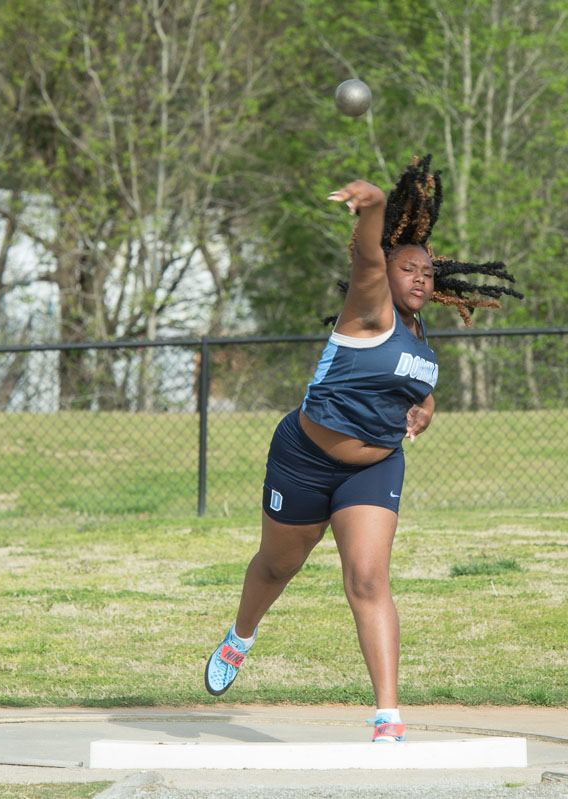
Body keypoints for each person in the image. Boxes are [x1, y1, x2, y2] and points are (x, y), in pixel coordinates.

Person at [204, 156, 521, 742]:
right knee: (278, 565)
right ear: (387, 272)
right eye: (409, 268)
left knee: (368, 581)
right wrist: (374, 206)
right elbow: (370, 257)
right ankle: (241, 637)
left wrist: (428, 408)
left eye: (429, 270)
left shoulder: (421, 333)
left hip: (373, 468)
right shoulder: (368, 309)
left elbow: (416, 391)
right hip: (304, 458)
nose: (421, 277)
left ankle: (388, 718)